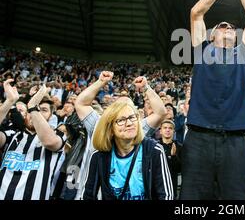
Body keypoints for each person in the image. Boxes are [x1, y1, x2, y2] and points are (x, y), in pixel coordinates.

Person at [181, 0, 245, 199]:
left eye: (232, 27)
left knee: (238, 199)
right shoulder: (200, 49)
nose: (228, 27)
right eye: (222, 26)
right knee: (193, 199)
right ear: (212, 34)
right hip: (198, 136)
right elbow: (196, 12)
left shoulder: (243, 53)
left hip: (235, 139)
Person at [74, 71, 168, 199]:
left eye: (131, 115)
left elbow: (161, 113)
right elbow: (80, 103)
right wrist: (100, 82)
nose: (128, 123)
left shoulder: (138, 126)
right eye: (121, 118)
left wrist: (146, 88)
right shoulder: (98, 125)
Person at [82, 101, 173, 200]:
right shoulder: (99, 156)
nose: (129, 123)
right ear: (110, 128)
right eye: (121, 120)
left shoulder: (154, 151)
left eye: (132, 117)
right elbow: (88, 195)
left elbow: (166, 195)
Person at [0, 80, 66, 200]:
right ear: (25, 114)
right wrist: (9, 101)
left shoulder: (58, 134)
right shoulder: (13, 134)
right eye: (35, 109)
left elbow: (50, 142)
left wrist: (33, 107)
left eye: (44, 110)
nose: (37, 112)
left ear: (51, 116)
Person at [158, 119, 181, 199]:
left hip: (172, 185)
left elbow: (180, 169)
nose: (167, 130)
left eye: (170, 128)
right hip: (157, 185)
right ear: (160, 131)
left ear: (174, 131)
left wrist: (173, 156)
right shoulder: (154, 147)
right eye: (165, 128)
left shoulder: (179, 147)